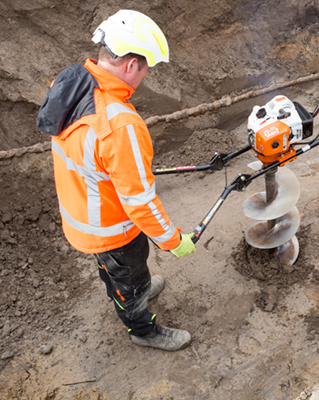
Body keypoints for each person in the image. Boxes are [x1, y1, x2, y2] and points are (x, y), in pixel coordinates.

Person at [36, 10, 196, 351]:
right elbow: (139, 199)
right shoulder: (121, 124)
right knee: (129, 278)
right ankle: (142, 329)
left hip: (81, 213)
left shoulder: (72, 82)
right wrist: (172, 240)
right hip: (112, 230)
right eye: (146, 67)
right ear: (131, 65)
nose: (145, 75)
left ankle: (133, 289)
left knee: (115, 272)